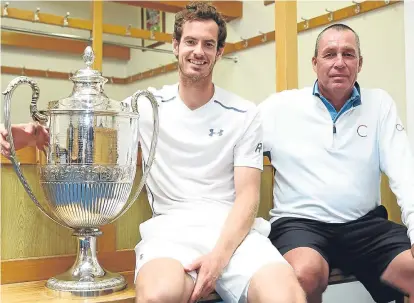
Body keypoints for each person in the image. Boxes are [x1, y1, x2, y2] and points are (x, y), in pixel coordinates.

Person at [1, 2, 305, 303]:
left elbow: (248, 196)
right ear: (175, 46)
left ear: (219, 52)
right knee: (157, 296)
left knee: (288, 296)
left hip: (234, 235)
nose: (198, 51)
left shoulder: (244, 113)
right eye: (190, 41)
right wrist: (35, 135)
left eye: (208, 44)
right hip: (170, 232)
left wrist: (218, 259)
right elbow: (90, 145)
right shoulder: (143, 106)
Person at [259, 23, 414, 303]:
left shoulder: (380, 105)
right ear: (315, 62)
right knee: (305, 274)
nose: (339, 63)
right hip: (300, 223)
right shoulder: (279, 108)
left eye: (348, 54)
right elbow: (234, 147)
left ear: (360, 63)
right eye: (330, 54)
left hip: (364, 225)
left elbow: (405, 172)